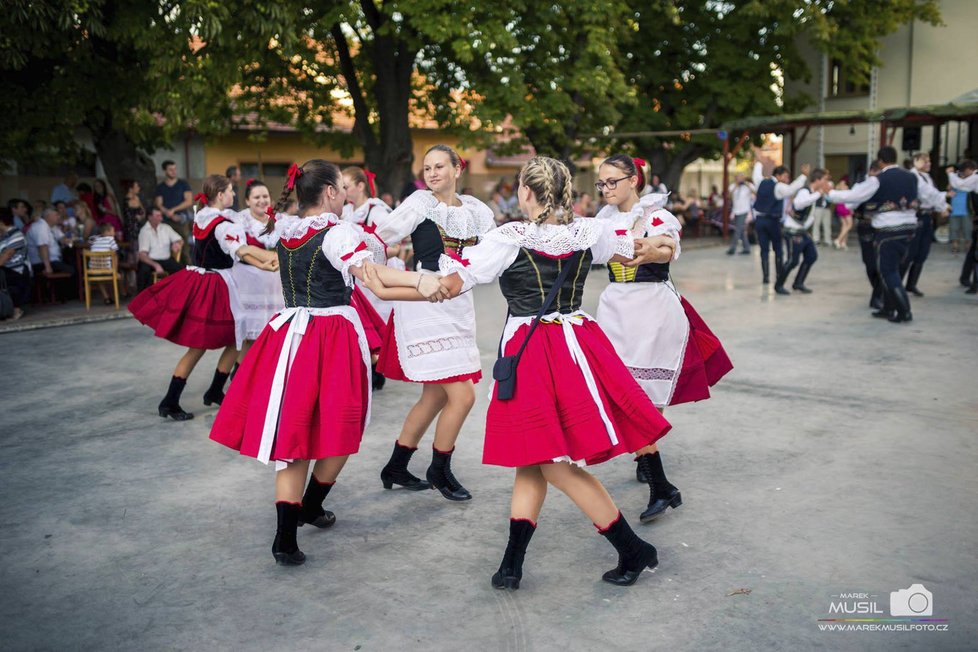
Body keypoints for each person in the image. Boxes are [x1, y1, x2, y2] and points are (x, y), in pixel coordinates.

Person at [365, 156, 672, 589]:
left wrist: (388, 282)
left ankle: (633, 548)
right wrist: (662, 242)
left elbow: (448, 286)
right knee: (532, 460)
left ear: (525, 192)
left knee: (554, 464)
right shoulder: (590, 231)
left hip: (533, 353)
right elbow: (640, 250)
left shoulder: (508, 238)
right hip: (577, 345)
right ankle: (512, 563)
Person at [209, 159, 446, 566]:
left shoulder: (285, 229)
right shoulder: (337, 234)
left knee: (294, 436)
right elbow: (372, 278)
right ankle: (310, 506)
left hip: (288, 335)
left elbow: (272, 261)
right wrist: (421, 282)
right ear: (332, 193)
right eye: (341, 189)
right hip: (330, 337)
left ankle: (287, 537)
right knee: (343, 424)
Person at [594, 154, 732, 523]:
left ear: (633, 179)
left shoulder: (657, 215)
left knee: (638, 398)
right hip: (614, 308)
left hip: (652, 310)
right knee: (625, 393)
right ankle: (651, 463)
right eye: (601, 183)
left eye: (612, 181)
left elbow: (666, 247)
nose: (605, 189)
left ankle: (657, 478)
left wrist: (650, 249)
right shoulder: (602, 220)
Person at [372, 144, 496, 501]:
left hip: (459, 304)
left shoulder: (476, 209)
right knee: (463, 394)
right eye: (427, 168)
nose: (432, 173)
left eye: (440, 166)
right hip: (427, 301)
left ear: (458, 169)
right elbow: (381, 237)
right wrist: (380, 273)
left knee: (435, 396)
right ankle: (439, 469)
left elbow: (492, 250)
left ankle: (396, 465)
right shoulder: (419, 203)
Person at [129, 174, 278, 419]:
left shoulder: (204, 217)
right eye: (230, 191)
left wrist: (263, 264)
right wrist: (269, 260)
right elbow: (240, 251)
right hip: (213, 286)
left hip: (206, 281)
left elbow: (240, 254)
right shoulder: (223, 224)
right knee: (200, 345)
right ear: (220, 195)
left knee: (234, 337)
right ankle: (171, 401)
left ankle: (214, 391)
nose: (233, 194)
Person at [830, 147, 918, 323]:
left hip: (888, 230)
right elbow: (928, 195)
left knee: (888, 271)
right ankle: (887, 308)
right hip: (909, 229)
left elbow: (855, 195)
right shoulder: (912, 177)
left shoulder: (879, 179)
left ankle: (904, 311)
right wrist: (943, 203)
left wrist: (829, 193)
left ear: (880, 161)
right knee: (891, 268)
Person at [340, 165, 401, 390]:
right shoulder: (346, 211)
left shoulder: (377, 210)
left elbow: (394, 245)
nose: (343, 191)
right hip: (358, 273)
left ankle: (377, 370)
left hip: (377, 271)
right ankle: (367, 369)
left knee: (377, 322)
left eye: (346, 186)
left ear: (360, 186)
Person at [228, 179, 284, 358]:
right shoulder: (240, 221)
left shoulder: (279, 220)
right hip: (248, 284)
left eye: (265, 196)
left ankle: (264, 372)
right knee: (249, 334)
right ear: (247, 201)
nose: (262, 200)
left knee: (273, 330)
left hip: (275, 285)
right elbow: (240, 252)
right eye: (257, 197)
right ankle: (241, 371)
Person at [752, 151, 809, 294]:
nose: (787, 179)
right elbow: (790, 190)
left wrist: (758, 162)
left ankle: (766, 277)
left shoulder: (760, 182)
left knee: (764, 249)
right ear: (778, 175)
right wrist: (803, 176)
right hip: (772, 220)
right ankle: (778, 275)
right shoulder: (778, 186)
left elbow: (756, 173)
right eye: (785, 176)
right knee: (778, 248)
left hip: (759, 220)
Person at [779, 169, 831, 293]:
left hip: (802, 230)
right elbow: (799, 204)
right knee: (793, 260)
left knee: (811, 256)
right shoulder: (804, 191)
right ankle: (778, 285)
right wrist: (819, 193)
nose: (826, 182)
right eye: (824, 179)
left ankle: (798, 282)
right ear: (817, 180)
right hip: (792, 231)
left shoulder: (814, 193)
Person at [905, 152, 947, 297]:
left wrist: (942, 207)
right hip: (917, 216)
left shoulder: (927, 177)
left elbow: (934, 195)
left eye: (929, 161)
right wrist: (944, 197)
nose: (928, 164)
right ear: (916, 161)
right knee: (910, 252)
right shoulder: (913, 176)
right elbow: (926, 193)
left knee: (922, 252)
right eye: (925, 161)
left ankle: (911, 284)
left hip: (928, 216)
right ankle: (896, 284)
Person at [136, 207, 185, 291]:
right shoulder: (144, 231)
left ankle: (178, 296)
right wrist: (156, 265)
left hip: (166, 259)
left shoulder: (166, 228)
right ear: (150, 217)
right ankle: (144, 298)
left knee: (182, 271)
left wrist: (177, 244)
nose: (161, 218)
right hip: (150, 260)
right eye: (157, 216)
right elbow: (142, 255)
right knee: (143, 272)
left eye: (161, 215)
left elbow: (180, 239)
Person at [27, 208, 75, 279]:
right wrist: (48, 267)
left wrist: (66, 239)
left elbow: (62, 239)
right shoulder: (41, 227)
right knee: (73, 271)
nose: (59, 217)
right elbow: (42, 247)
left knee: (74, 262)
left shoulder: (52, 226)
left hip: (54, 260)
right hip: (41, 263)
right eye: (56, 215)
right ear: (48, 216)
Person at [0, 215, 30, 319]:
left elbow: (5, 257)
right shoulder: (2, 235)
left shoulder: (16, 235)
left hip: (17, 271)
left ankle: (15, 309)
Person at [154, 160, 194, 230]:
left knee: (182, 239)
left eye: (175, 169)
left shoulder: (183, 184)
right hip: (165, 219)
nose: (174, 171)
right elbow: (158, 204)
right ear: (165, 171)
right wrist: (169, 213)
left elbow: (189, 201)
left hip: (181, 217)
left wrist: (173, 210)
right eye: (170, 169)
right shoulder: (160, 187)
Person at [88, 222, 120, 304]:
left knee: (100, 279)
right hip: (107, 269)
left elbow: (89, 241)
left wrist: (100, 235)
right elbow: (115, 255)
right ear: (106, 232)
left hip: (94, 270)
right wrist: (115, 271)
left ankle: (106, 297)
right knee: (119, 276)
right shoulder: (111, 240)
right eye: (112, 231)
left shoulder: (94, 240)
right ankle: (117, 296)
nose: (114, 233)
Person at [726, 173, 754, 255]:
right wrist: (736, 186)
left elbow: (755, 193)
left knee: (737, 229)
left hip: (744, 210)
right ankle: (747, 248)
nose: (740, 179)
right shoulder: (732, 186)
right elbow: (729, 196)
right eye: (738, 178)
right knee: (741, 230)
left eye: (741, 178)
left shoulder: (748, 185)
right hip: (736, 211)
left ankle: (732, 248)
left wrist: (747, 185)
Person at [833, 180, 854, 249]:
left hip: (839, 207)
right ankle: (838, 239)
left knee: (844, 225)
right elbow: (850, 199)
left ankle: (843, 242)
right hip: (845, 207)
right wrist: (851, 209)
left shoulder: (837, 189)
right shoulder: (846, 189)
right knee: (849, 225)